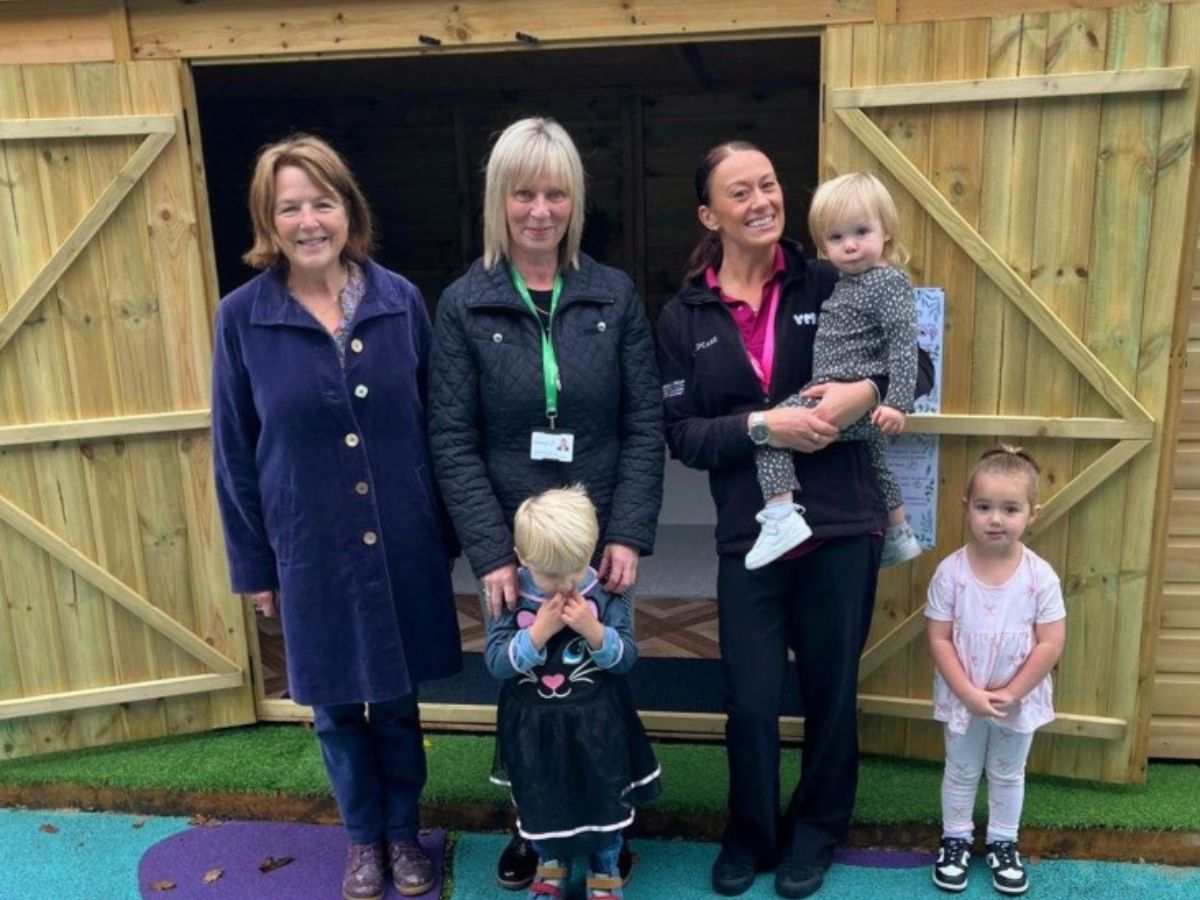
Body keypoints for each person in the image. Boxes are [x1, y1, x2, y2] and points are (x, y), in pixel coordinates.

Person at [655, 141, 932, 899]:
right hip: (753, 530)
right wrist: (760, 427)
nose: (761, 201)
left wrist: (860, 391)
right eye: (739, 193)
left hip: (843, 520)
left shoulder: (830, 273)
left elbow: (917, 367)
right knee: (747, 695)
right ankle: (750, 834)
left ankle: (816, 834)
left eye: (769, 185)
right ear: (710, 215)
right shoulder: (686, 317)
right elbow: (681, 435)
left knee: (830, 688)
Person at [211, 134, 462, 900]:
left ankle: (403, 834)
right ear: (269, 220)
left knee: (394, 702)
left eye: (323, 202)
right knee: (333, 710)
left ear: (348, 211)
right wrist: (254, 567)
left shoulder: (399, 302)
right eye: (290, 206)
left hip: (400, 541)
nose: (309, 220)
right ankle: (362, 841)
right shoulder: (241, 318)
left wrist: (448, 535)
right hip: (306, 546)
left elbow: (435, 423)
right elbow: (233, 446)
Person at [428, 116, 663, 890]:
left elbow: (642, 423)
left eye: (555, 193)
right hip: (514, 537)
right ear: (499, 198)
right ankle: (536, 827)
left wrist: (628, 531)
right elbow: (453, 437)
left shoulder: (613, 295)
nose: (539, 210)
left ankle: (604, 823)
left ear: (575, 201)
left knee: (598, 674)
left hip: (594, 531)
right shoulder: (464, 304)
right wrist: (491, 551)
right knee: (525, 679)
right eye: (523, 192)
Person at [485, 485, 661, 900]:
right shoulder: (510, 595)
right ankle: (551, 864)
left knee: (604, 799)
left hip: (597, 723)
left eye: (575, 569)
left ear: (591, 552)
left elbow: (625, 659)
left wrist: (593, 629)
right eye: (551, 575)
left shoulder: (603, 591)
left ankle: (604, 869)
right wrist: (538, 631)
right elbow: (495, 664)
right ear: (522, 557)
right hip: (534, 727)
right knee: (542, 800)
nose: (565, 585)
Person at [745, 172, 922, 570]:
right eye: (837, 238)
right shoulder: (846, 283)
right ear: (824, 246)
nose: (851, 245)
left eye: (862, 231)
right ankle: (899, 533)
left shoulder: (886, 282)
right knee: (877, 462)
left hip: (842, 396)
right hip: (853, 406)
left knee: (770, 431)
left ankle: (781, 516)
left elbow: (904, 345)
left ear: (887, 236)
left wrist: (895, 403)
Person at [926, 446, 1066, 896]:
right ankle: (956, 840)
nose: (995, 519)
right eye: (984, 507)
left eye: (1010, 509)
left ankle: (1004, 842)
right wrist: (967, 692)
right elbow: (939, 638)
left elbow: (1051, 641)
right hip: (963, 698)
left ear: (1032, 513)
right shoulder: (951, 573)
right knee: (962, 770)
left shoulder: (1039, 576)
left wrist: (1015, 692)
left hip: (1016, 702)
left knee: (1008, 772)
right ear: (966, 508)